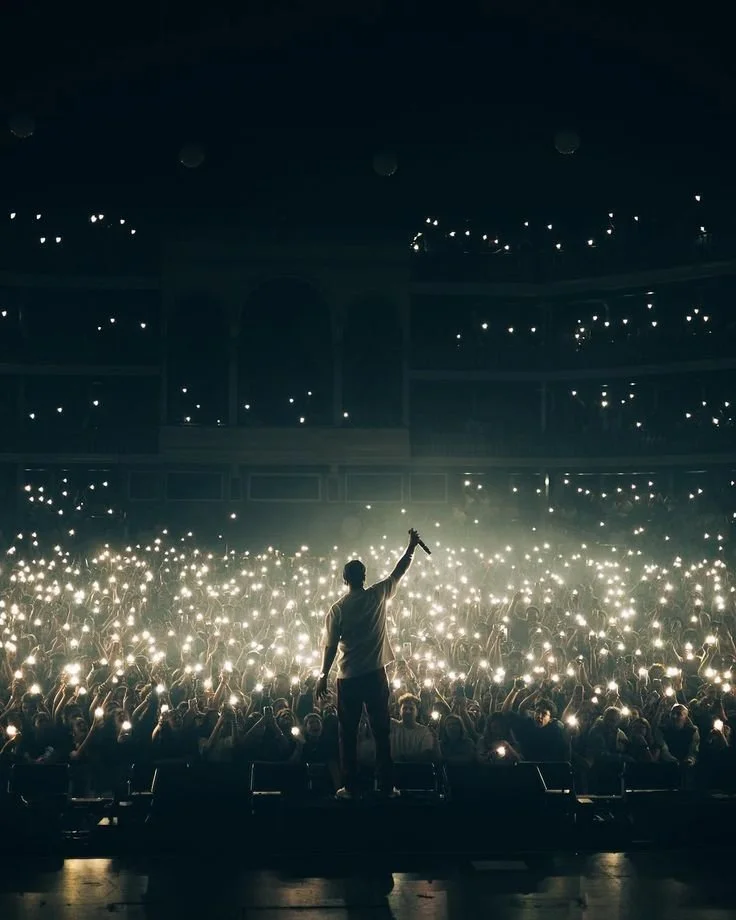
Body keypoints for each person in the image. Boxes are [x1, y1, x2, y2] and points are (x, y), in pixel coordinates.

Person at [316, 528, 422, 800]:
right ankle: (386, 786)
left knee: (347, 734)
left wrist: (322, 675)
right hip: (375, 674)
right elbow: (399, 571)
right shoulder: (377, 595)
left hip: (348, 677)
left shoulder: (337, 608)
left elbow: (330, 646)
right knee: (382, 731)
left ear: (343, 579)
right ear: (364, 576)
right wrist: (411, 547)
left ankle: (349, 787)